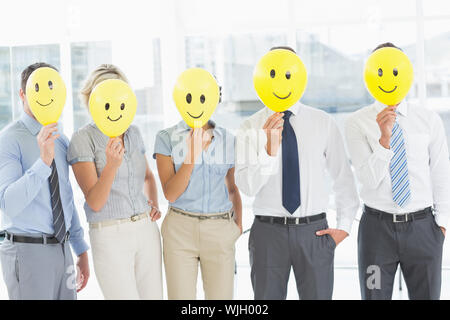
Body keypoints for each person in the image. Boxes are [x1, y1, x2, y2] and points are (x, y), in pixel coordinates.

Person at [235, 46, 360, 300]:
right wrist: (269, 150)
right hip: (268, 234)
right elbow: (246, 186)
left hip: (313, 233)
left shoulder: (323, 122)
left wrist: (344, 227)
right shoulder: (250, 127)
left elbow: (343, 177)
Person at [345, 42, 450, 300]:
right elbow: (368, 181)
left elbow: (441, 173)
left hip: (423, 230)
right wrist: (384, 140)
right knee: (374, 296)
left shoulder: (429, 120)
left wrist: (442, 226)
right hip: (376, 233)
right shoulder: (357, 123)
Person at [67, 64, 163, 300]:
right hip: (110, 235)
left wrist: (154, 203)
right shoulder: (82, 139)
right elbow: (95, 202)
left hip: (146, 230)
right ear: (91, 97)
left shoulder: (134, 132)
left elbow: (148, 177)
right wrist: (111, 165)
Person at [0, 62, 89, 300]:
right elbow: (8, 204)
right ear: (22, 94)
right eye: (39, 89)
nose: (48, 95)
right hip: (27, 249)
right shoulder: (8, 139)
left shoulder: (60, 140)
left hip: (63, 250)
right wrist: (43, 162)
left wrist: (80, 250)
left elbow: (65, 196)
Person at [154, 119, 242, 300]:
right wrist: (192, 156)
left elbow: (232, 189)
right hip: (180, 231)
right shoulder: (166, 137)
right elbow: (170, 194)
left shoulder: (229, 140)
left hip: (219, 229)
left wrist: (237, 225)